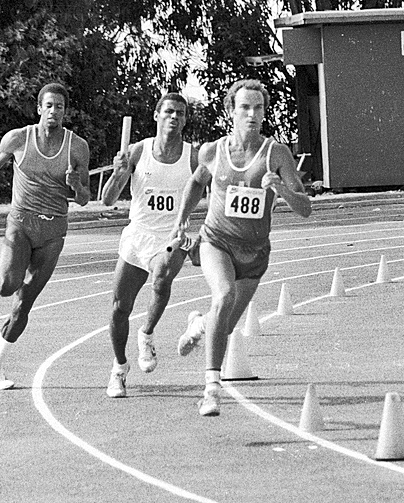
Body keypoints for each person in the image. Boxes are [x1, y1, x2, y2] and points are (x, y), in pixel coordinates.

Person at [170, 79, 312, 416]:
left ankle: (200, 323)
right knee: (224, 297)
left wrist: (281, 188)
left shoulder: (275, 153)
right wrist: (182, 219)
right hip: (216, 241)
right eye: (244, 108)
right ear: (231, 111)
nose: (252, 114)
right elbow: (196, 182)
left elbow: (305, 208)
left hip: (255, 254)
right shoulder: (213, 151)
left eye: (258, 108)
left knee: (225, 323)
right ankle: (212, 390)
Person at [0, 82, 91, 390]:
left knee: (24, 304)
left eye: (60, 107)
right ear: (39, 108)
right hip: (21, 223)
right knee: (9, 286)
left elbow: (83, 199)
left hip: (54, 231)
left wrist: (76, 185)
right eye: (48, 106)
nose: (54, 111)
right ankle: (3, 275)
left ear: (65, 111)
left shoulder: (76, 147)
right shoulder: (19, 138)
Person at [100, 93, 198, 398]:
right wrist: (119, 172)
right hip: (138, 234)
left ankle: (147, 332)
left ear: (185, 119)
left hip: (171, 236)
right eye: (168, 112)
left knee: (161, 275)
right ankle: (119, 368)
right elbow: (107, 199)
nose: (174, 118)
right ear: (156, 115)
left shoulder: (192, 156)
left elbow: (212, 187)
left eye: (180, 113)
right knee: (119, 309)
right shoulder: (137, 151)